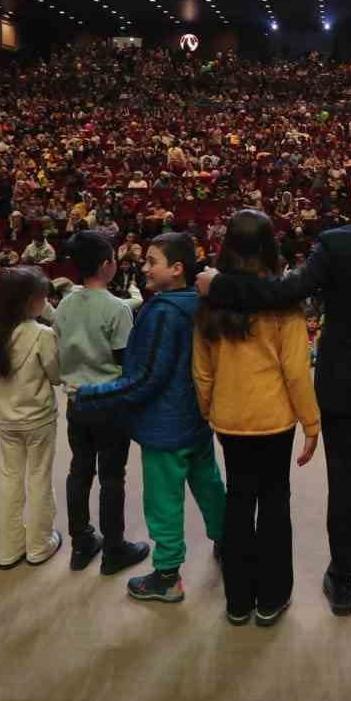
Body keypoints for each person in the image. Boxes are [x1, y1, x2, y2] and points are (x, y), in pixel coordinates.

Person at [196, 158, 351, 617]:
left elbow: (285, 293)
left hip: (342, 384)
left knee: (345, 486)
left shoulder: (334, 244)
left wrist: (222, 286)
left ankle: (341, 583)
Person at [74, 232, 225, 604]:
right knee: (209, 485)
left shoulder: (161, 312)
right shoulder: (200, 302)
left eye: (151, 261)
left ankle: (167, 575)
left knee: (163, 502)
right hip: (197, 419)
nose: (144, 267)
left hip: (164, 426)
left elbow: (146, 377)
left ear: (176, 269)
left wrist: (92, 395)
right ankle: (230, 542)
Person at [193, 209, 321, 627]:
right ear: (271, 246)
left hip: (229, 418)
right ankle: (271, 597)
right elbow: (296, 370)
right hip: (273, 419)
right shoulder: (282, 302)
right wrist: (311, 423)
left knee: (238, 500)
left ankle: (237, 600)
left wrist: (210, 407)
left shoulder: (211, 297)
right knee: (273, 503)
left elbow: (203, 368)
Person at [53, 230, 150, 576]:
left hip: (77, 401)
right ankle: (114, 549)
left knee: (79, 470)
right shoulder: (117, 308)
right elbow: (126, 362)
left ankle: (82, 543)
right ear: (108, 265)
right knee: (112, 476)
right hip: (109, 403)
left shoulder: (63, 305)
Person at [0, 265, 64, 570]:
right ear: (32, 300)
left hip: (7, 421)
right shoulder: (42, 334)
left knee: (10, 480)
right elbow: (56, 376)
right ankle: (39, 545)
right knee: (39, 478)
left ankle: (9, 549)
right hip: (39, 420)